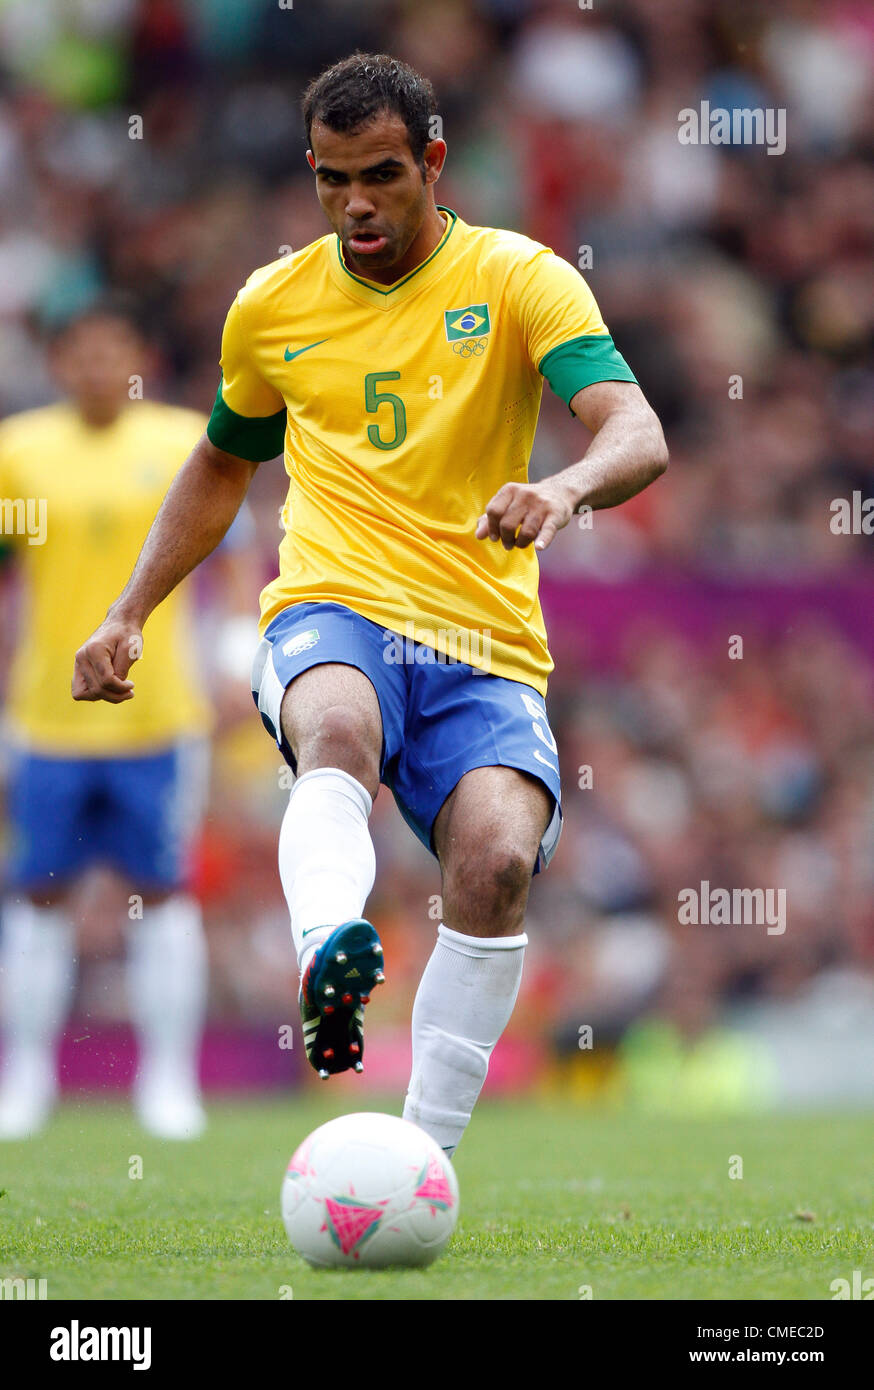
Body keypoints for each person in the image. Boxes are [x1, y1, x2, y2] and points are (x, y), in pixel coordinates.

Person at [72, 54, 667, 1157]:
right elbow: (220, 465)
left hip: (482, 636)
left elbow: (636, 429)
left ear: (433, 162)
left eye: (382, 175)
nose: (356, 205)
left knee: (492, 864)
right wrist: (128, 612)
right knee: (334, 729)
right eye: (331, 179)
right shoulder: (272, 305)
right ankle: (327, 947)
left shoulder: (519, 278)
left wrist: (565, 486)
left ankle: (417, 1159)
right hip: (331, 604)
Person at [0, 303, 212, 1140]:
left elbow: (223, 558)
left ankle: (168, 1083)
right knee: (37, 894)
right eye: (80, 352)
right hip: (47, 715)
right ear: (59, 364)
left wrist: (234, 653)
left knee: (163, 891)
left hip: (158, 716)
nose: (96, 367)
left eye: (110, 350)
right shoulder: (19, 452)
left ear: (139, 357)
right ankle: (25, 1079)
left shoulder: (181, 443)